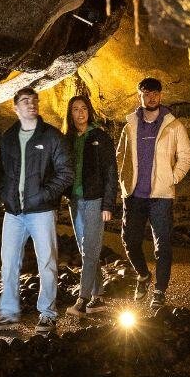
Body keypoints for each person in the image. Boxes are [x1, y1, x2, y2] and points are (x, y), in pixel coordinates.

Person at [0, 87, 74, 333]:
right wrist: (1, 194)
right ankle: (8, 313)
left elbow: (66, 172)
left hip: (41, 212)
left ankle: (48, 314)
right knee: (8, 263)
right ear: (15, 107)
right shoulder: (7, 137)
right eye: (25, 101)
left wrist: (44, 195)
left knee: (47, 262)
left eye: (34, 101)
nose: (31, 104)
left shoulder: (51, 137)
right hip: (13, 213)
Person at [116, 76, 190, 307]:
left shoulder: (174, 125)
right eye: (147, 93)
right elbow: (120, 155)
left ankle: (159, 290)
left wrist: (173, 177)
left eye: (156, 94)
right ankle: (143, 275)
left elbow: (186, 157)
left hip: (161, 195)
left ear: (160, 95)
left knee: (163, 244)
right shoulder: (130, 125)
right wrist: (123, 181)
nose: (152, 98)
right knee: (129, 240)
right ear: (140, 95)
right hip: (134, 195)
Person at [63, 94, 117, 317]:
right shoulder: (67, 139)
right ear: (71, 113)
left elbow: (111, 173)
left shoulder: (101, 138)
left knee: (90, 250)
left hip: (95, 201)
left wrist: (108, 205)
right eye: (75, 109)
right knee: (87, 251)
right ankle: (98, 297)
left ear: (89, 111)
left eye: (84, 108)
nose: (80, 113)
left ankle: (82, 299)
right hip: (74, 202)